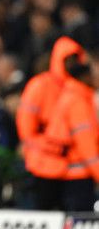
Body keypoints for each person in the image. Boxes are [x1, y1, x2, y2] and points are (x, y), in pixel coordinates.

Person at [16, 36, 89, 210]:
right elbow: (26, 130)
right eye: (68, 60)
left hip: (72, 167)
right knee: (44, 211)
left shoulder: (80, 87)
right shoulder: (39, 85)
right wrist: (51, 146)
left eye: (75, 60)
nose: (72, 64)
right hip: (43, 165)